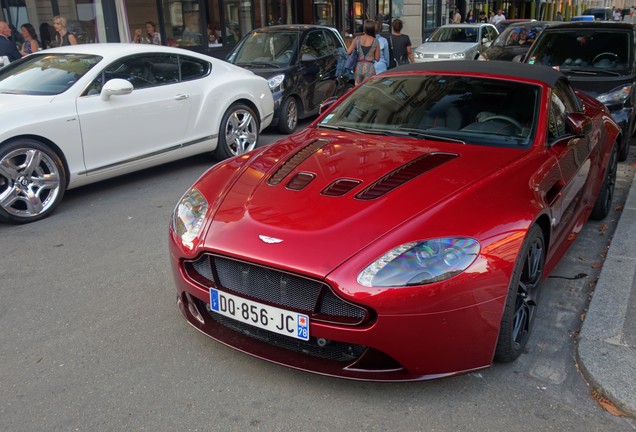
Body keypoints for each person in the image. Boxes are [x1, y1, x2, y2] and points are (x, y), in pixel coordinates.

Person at [347, 19, 380, 85]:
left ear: (364, 28)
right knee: (368, 90)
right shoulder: (375, 41)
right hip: (370, 68)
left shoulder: (357, 39)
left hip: (358, 68)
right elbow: (377, 58)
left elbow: (348, 52)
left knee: (357, 89)